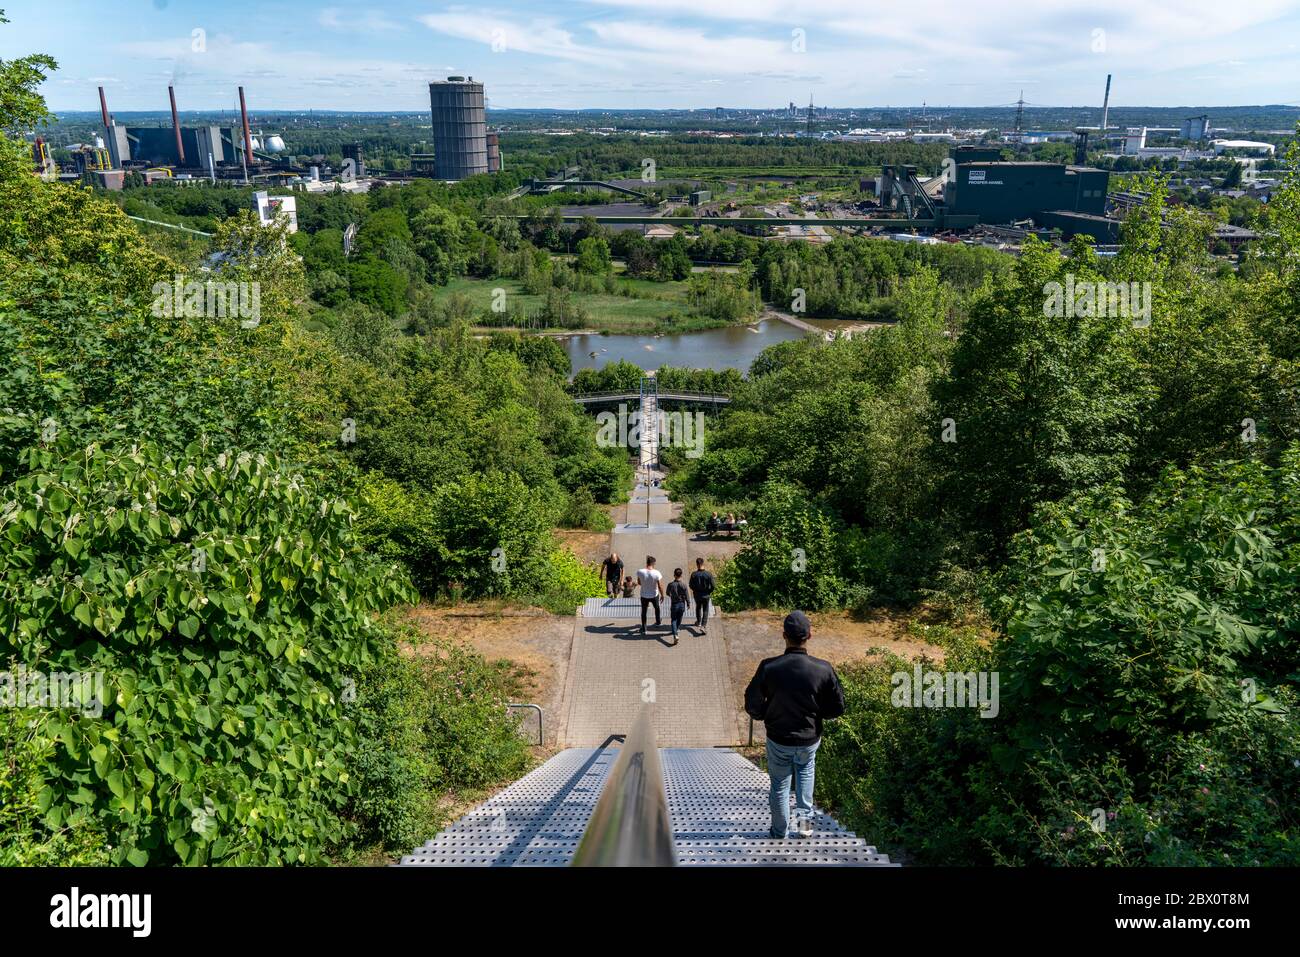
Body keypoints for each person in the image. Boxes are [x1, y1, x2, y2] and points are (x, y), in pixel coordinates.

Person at [743, 611, 845, 840]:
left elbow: (751, 701)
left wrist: (764, 715)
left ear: (783, 635)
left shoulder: (769, 667)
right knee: (806, 775)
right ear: (810, 635)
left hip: (778, 737)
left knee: (779, 785)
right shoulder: (823, 669)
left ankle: (779, 832)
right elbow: (838, 706)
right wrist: (818, 716)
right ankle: (805, 827)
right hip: (809, 738)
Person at [636, 556, 664, 635]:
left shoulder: (640, 572)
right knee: (657, 608)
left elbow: (639, 582)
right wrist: (662, 595)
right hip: (654, 595)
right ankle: (658, 622)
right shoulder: (657, 573)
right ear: (653, 563)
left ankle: (644, 628)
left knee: (644, 611)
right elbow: (660, 586)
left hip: (644, 595)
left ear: (647, 563)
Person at [689, 557, 715, 634]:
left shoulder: (694, 574)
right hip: (706, 595)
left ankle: (698, 622)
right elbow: (713, 586)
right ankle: (703, 626)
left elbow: (690, 585)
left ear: (697, 564)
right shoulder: (708, 574)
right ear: (703, 563)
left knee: (698, 607)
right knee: (706, 610)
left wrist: (695, 590)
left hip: (697, 595)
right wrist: (709, 591)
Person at [666, 568, 690, 646]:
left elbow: (667, 593)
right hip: (682, 604)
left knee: (673, 619)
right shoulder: (684, 585)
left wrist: (671, 595)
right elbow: (687, 595)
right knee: (679, 618)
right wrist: (688, 603)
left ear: (674, 575)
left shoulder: (671, 585)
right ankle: (676, 629)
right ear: (681, 575)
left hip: (674, 604)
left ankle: (675, 634)